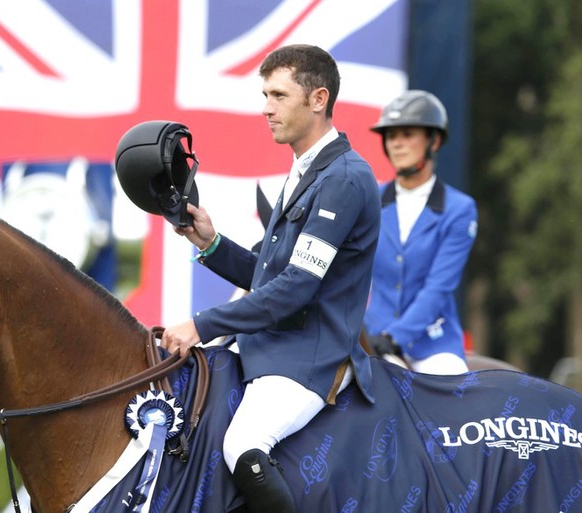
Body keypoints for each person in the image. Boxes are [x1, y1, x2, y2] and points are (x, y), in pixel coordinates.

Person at [160, 44, 380, 513]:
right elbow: (269, 276)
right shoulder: (306, 169)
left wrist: (201, 324)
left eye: (278, 95)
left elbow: (296, 289)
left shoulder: (343, 177)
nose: (266, 108)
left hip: (310, 358)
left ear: (318, 99)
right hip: (270, 345)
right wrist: (210, 243)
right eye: (265, 95)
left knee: (242, 443)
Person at [362, 90, 478, 375]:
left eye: (407, 134)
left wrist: (395, 337)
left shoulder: (459, 209)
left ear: (434, 141)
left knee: (451, 390)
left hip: (432, 344)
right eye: (391, 136)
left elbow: (439, 287)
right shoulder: (368, 201)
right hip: (371, 337)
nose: (397, 144)